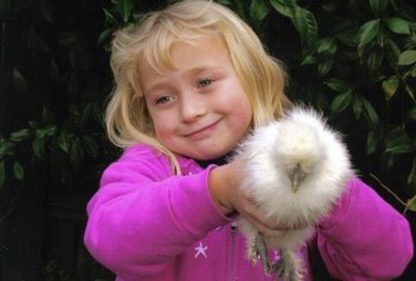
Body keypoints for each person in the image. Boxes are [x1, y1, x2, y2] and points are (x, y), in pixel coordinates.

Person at [83, 1, 414, 280]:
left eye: (205, 82)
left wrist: (329, 188)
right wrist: (217, 191)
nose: (190, 111)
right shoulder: (149, 165)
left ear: (252, 77)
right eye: (163, 99)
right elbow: (110, 240)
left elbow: (389, 259)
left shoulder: (291, 162)